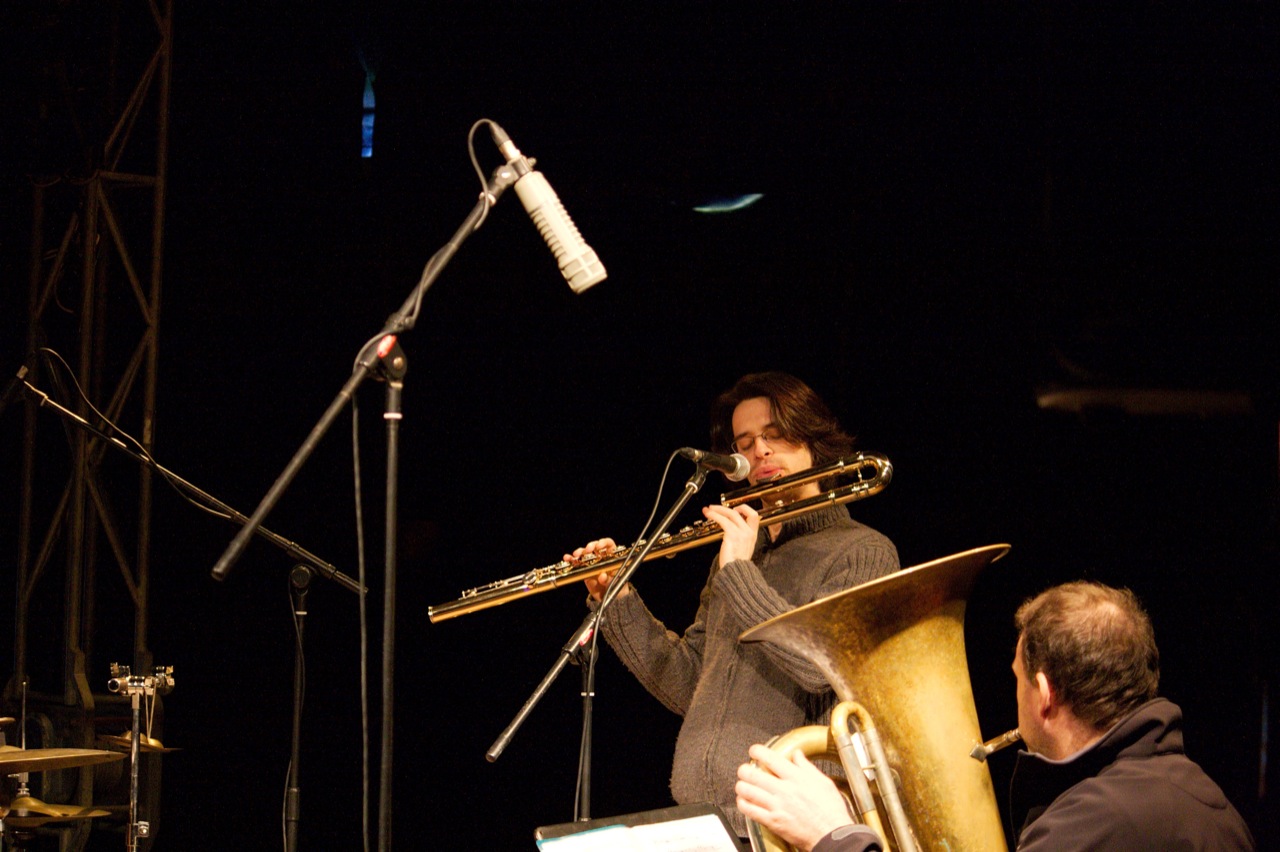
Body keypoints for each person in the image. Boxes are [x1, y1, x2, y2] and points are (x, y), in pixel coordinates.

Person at [565, 372, 899, 836]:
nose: (759, 452)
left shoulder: (862, 550)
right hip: (707, 822)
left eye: (775, 436)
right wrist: (617, 598)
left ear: (814, 439)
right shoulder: (741, 551)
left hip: (799, 828)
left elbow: (819, 669)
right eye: (745, 443)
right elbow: (690, 686)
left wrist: (738, 572)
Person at [735, 580, 1255, 851]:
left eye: (1015, 677)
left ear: (1044, 693)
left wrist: (835, 836)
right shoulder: (1198, 796)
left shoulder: (1099, 823)